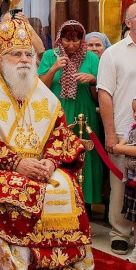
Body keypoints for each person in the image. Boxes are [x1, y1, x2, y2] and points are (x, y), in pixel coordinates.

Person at [0, 19, 94, 270]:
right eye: (16, 53)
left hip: (43, 165)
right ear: (1, 58)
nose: (23, 59)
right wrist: (16, 162)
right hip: (3, 169)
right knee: (22, 188)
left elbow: (60, 134)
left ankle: (66, 263)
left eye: (28, 54)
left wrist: (51, 161)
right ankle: (25, 264)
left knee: (64, 186)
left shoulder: (42, 93)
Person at [38, 20, 102, 207]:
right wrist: (54, 68)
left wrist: (92, 80)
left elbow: (98, 94)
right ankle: (59, 200)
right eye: (67, 40)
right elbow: (41, 87)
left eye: (76, 41)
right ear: (60, 38)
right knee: (58, 153)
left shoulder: (92, 59)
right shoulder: (51, 55)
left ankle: (86, 204)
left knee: (86, 155)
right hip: (58, 114)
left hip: (84, 114)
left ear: (82, 40)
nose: (71, 45)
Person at [97, 3, 136, 255]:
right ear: (129, 21)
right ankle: (120, 233)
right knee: (123, 184)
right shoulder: (114, 53)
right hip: (124, 128)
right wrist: (110, 133)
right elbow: (105, 94)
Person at [115, 97, 136, 263]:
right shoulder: (133, 128)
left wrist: (120, 148)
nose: (135, 115)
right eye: (134, 111)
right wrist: (119, 146)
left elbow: (126, 148)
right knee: (135, 219)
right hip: (133, 180)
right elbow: (124, 140)